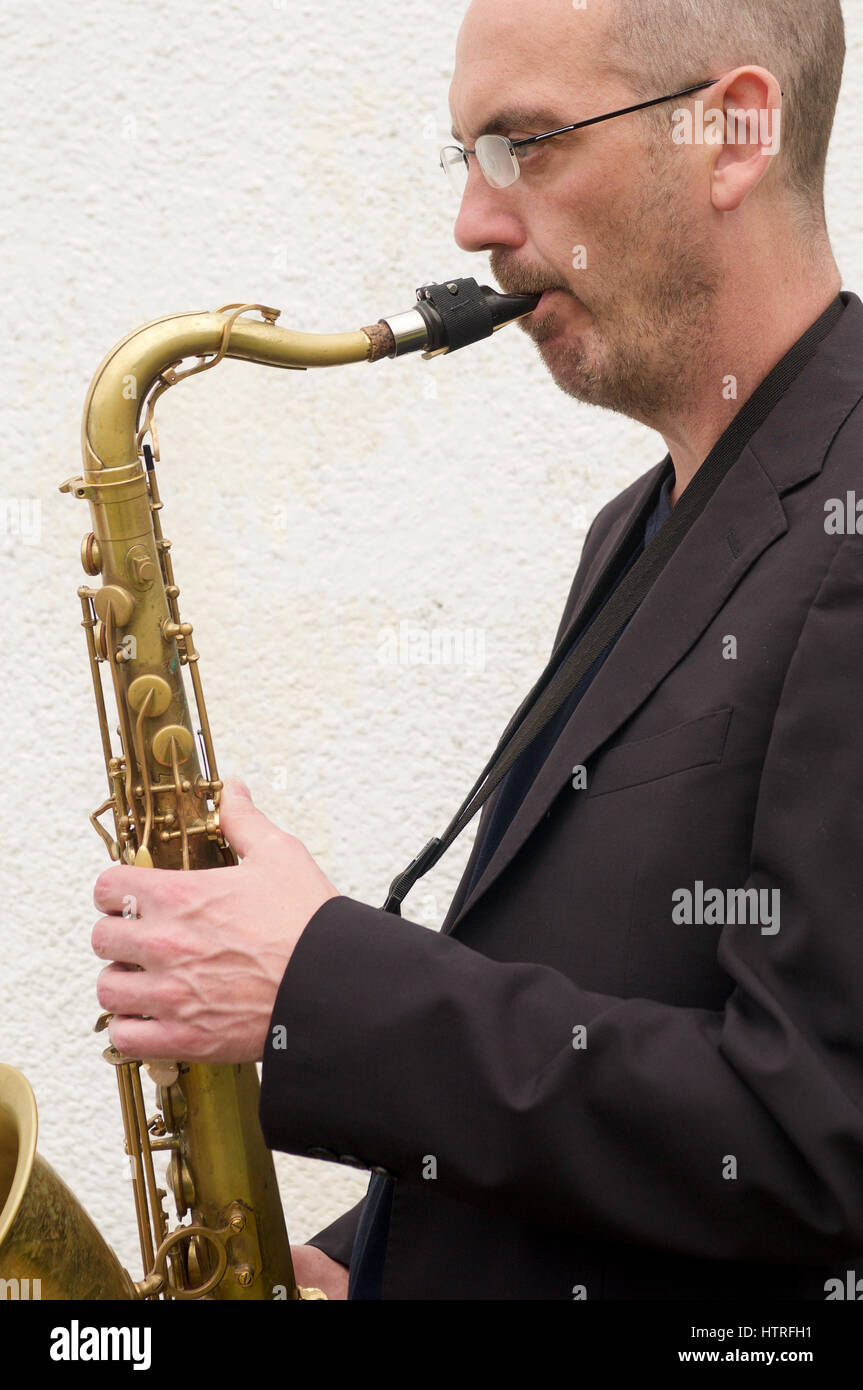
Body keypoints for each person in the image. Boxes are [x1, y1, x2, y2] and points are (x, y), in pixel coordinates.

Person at [91, 0, 863, 1299]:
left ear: (735, 131)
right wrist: (366, 1261)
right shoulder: (642, 525)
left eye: (528, 144)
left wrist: (317, 979)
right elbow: (597, 1032)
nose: (474, 226)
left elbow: (819, 1135)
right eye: (467, 156)